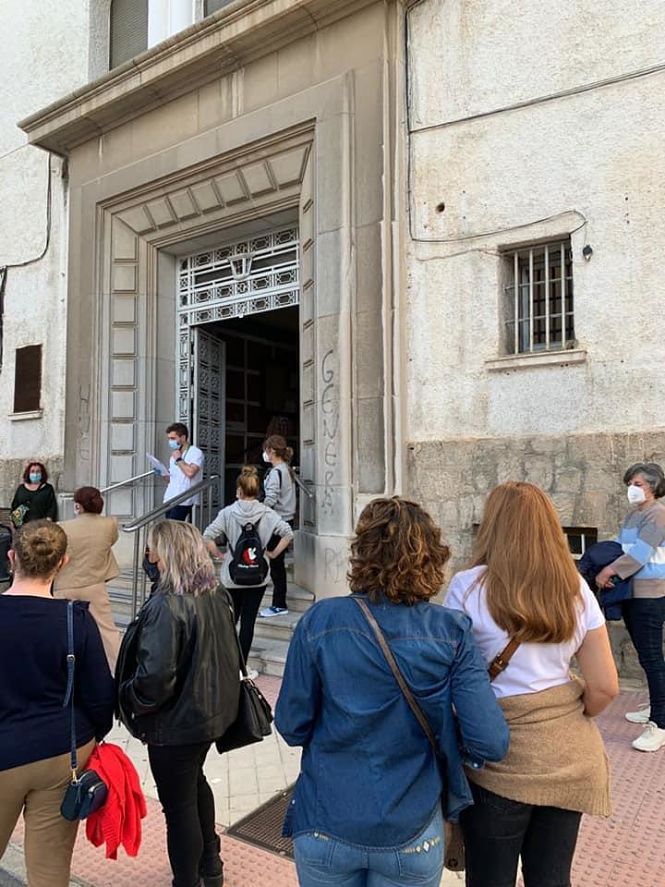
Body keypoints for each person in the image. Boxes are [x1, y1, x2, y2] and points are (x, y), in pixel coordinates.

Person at [275, 497, 509, 887]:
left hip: (326, 817)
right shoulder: (451, 631)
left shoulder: (320, 621)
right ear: (432, 557)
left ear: (361, 553)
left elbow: (291, 725)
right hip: (411, 825)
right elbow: (490, 741)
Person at [446, 481, 619, 887]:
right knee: (552, 878)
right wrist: (560, 716)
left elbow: (450, 677)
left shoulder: (467, 586)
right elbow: (605, 687)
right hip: (567, 760)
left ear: (492, 526)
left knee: (489, 879)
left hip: (496, 760)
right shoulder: (575, 589)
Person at [116, 520, 241, 887]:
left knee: (179, 807)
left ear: (167, 555)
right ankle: (211, 866)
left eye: (152, 550)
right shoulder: (216, 594)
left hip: (176, 724)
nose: (148, 557)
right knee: (194, 785)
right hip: (208, 715)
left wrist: (128, 697)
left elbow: (155, 679)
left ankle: (188, 879)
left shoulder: (166, 605)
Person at [0, 521, 114, 887]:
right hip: (62, 750)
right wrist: (92, 736)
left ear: (12, 558)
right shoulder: (75, 618)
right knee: (49, 870)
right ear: (62, 563)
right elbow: (101, 697)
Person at [595, 462, 665, 752]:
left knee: (652, 657)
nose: (631, 489)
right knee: (646, 655)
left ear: (653, 487)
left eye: (637, 484)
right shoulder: (633, 515)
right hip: (632, 592)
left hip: (650, 595)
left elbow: (639, 555)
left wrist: (608, 571)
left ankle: (660, 723)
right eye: (629, 484)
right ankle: (657, 707)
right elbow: (620, 547)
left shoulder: (657, 514)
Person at [203, 466, 293, 667]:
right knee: (248, 622)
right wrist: (273, 554)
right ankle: (241, 666)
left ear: (239, 490)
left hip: (233, 576)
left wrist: (219, 554)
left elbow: (207, 536)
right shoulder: (268, 513)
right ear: (257, 490)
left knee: (230, 621)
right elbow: (288, 533)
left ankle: (225, 663)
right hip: (258, 575)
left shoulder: (227, 513)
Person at [53, 486, 122, 672]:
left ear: (78, 505)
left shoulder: (62, 527)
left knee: (61, 631)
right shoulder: (110, 524)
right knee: (107, 632)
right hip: (95, 583)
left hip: (65, 584)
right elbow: (110, 542)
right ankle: (117, 670)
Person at [259, 434, 296, 618]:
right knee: (276, 563)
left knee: (276, 563)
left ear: (272, 451)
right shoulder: (286, 469)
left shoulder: (276, 472)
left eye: (266, 450)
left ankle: (279, 603)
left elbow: (271, 498)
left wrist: (257, 511)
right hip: (286, 519)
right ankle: (278, 601)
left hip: (277, 521)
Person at [161, 423, 205, 521]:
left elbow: (190, 473)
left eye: (173, 438)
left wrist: (179, 459)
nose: (170, 441)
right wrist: (162, 472)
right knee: (168, 526)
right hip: (170, 496)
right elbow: (171, 479)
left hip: (183, 498)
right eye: (169, 438)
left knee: (174, 526)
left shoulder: (195, 452)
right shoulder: (174, 456)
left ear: (183, 437)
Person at [10, 461, 58, 526]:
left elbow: (52, 507)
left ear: (42, 474)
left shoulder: (48, 488)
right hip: (23, 526)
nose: (35, 474)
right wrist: (14, 523)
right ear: (28, 473)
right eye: (32, 471)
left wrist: (48, 522)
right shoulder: (21, 488)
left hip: (41, 526)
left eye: (38, 471)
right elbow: (15, 506)